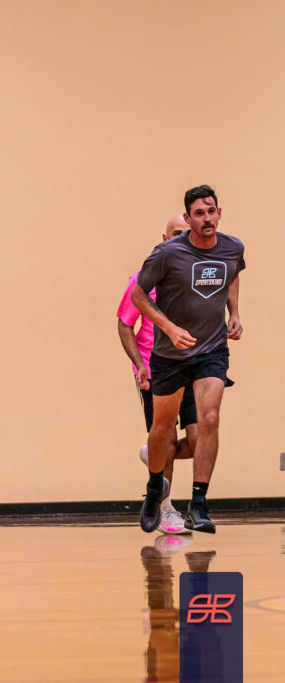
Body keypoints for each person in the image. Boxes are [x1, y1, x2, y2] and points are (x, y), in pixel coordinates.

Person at [131, 185, 244, 534]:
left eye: (211, 211)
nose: (206, 218)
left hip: (211, 349)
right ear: (188, 218)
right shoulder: (168, 253)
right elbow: (138, 295)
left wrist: (235, 313)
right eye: (199, 213)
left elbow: (233, 273)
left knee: (210, 418)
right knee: (162, 429)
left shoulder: (232, 247)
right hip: (170, 353)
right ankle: (155, 489)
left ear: (219, 213)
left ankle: (199, 504)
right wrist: (168, 327)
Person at [116, 216, 195, 535]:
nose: (182, 239)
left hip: (190, 366)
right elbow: (125, 324)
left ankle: (154, 454)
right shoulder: (144, 278)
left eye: (187, 235)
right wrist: (139, 364)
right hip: (155, 369)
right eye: (177, 234)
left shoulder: (194, 277)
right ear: (164, 238)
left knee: (199, 441)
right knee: (166, 437)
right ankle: (165, 509)